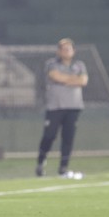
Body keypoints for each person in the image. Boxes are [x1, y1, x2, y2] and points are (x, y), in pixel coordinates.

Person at [35, 38, 88, 178]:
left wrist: (67, 80)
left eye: (69, 49)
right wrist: (73, 80)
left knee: (68, 138)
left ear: (74, 51)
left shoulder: (79, 65)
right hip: (55, 106)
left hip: (74, 106)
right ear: (58, 51)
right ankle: (41, 162)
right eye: (63, 49)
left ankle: (63, 167)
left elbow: (83, 81)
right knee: (49, 136)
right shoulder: (51, 64)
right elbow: (56, 76)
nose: (66, 52)